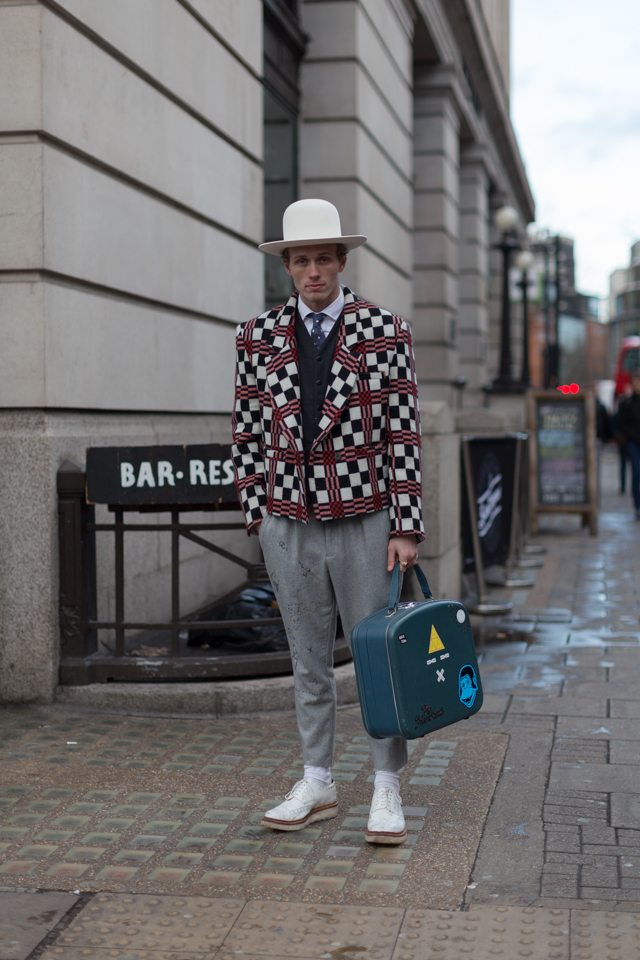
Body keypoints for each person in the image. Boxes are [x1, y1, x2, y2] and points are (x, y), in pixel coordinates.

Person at [232, 199, 424, 845]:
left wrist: (406, 525)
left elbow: (403, 433)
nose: (312, 271)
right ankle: (317, 778)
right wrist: (258, 513)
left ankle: (387, 784)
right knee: (307, 658)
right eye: (301, 260)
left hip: (365, 518)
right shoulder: (256, 336)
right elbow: (247, 430)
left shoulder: (385, 330)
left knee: (377, 658)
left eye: (322, 258)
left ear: (342, 261)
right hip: (288, 520)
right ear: (287, 266)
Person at [617, 372, 640, 519]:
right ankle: (638, 506)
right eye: (635, 382)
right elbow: (621, 423)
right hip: (633, 443)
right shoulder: (627, 403)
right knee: (636, 472)